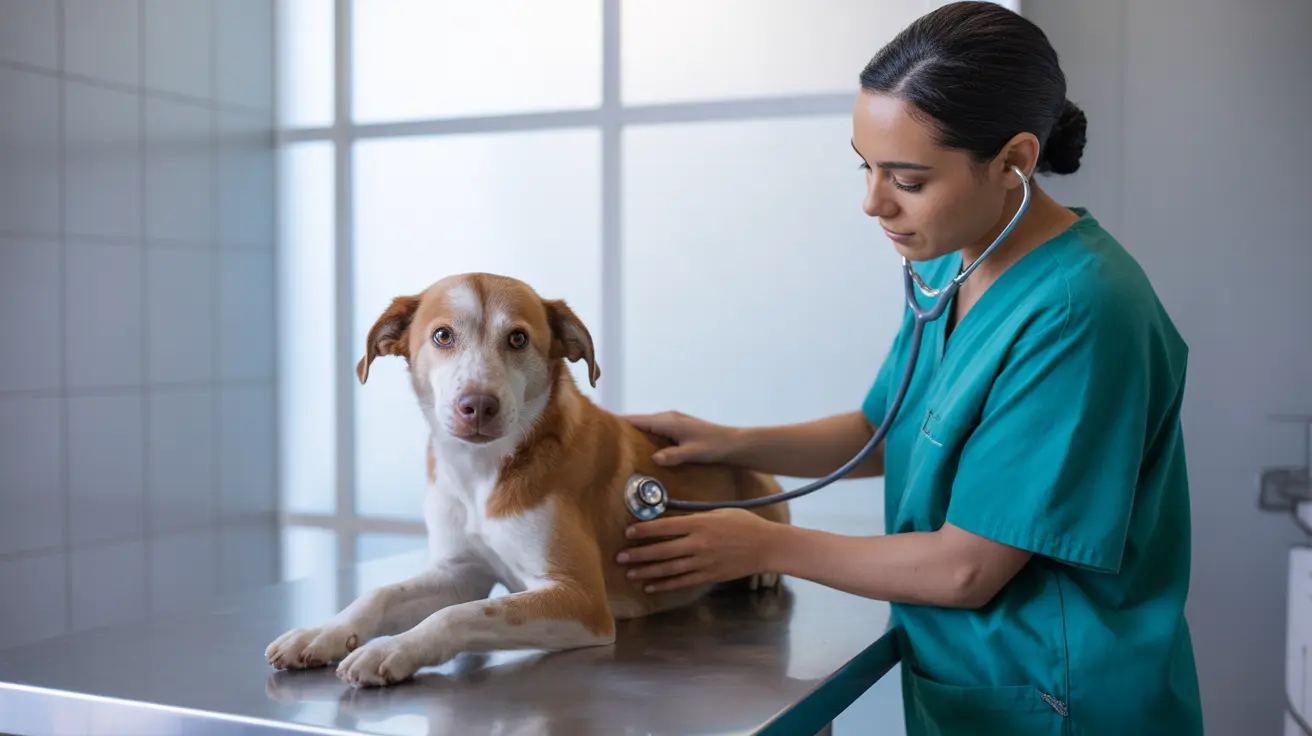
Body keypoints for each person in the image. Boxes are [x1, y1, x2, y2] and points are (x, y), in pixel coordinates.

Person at [614, 2, 1205, 734]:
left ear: (1014, 161)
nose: (873, 202)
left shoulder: (1082, 311)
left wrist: (765, 544)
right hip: (971, 683)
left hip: (1062, 696)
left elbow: (967, 568)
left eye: (908, 179)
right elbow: (886, 428)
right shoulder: (952, 261)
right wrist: (731, 442)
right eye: (866, 167)